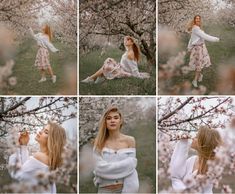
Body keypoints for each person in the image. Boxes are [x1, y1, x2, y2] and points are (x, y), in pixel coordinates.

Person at [8, 121, 66, 193]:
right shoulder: (50, 161)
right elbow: (26, 171)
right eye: (43, 129)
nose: (40, 132)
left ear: (52, 140)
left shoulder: (40, 157)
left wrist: (15, 146)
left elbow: (17, 173)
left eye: (46, 132)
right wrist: (23, 145)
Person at [93, 106, 139, 193]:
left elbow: (131, 169)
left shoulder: (130, 140)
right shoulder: (98, 142)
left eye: (116, 118)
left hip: (125, 189)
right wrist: (125, 166)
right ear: (105, 122)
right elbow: (98, 169)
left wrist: (108, 170)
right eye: (109, 118)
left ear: (120, 121)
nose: (112, 121)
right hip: (105, 190)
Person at [170, 126, 222, 193]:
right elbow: (175, 175)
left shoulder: (211, 168)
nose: (193, 138)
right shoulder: (192, 160)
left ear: (204, 143)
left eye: (197, 137)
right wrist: (183, 144)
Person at [81, 36, 150, 84]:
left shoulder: (130, 53)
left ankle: (91, 79)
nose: (125, 41)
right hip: (121, 67)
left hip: (124, 71)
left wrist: (137, 76)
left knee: (107, 67)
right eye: (125, 40)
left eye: (128, 39)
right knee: (109, 61)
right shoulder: (128, 50)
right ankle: (96, 79)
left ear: (132, 42)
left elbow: (134, 67)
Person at [187, 15, 220, 88]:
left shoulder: (198, 28)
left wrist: (189, 47)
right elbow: (205, 36)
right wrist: (216, 39)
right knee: (198, 64)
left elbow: (192, 38)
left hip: (201, 47)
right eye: (196, 19)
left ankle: (199, 75)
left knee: (200, 63)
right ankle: (195, 80)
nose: (198, 20)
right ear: (194, 20)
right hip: (197, 49)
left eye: (199, 19)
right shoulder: (195, 28)